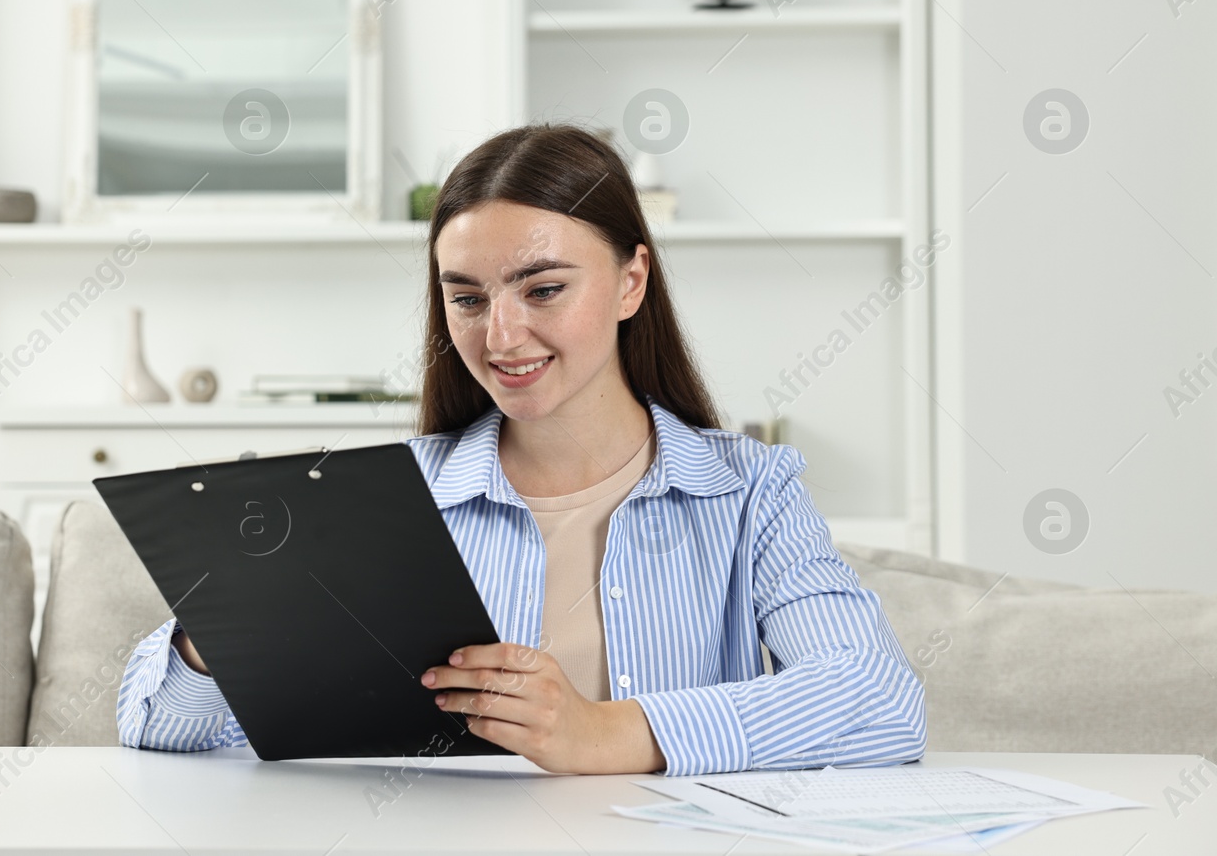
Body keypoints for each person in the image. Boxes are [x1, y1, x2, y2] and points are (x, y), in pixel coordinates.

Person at [118, 124, 926, 776]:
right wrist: (220, 627)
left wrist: (606, 733)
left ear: (629, 282)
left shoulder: (752, 489)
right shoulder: (390, 496)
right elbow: (153, 728)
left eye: (543, 289)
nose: (501, 336)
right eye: (467, 297)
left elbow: (879, 698)